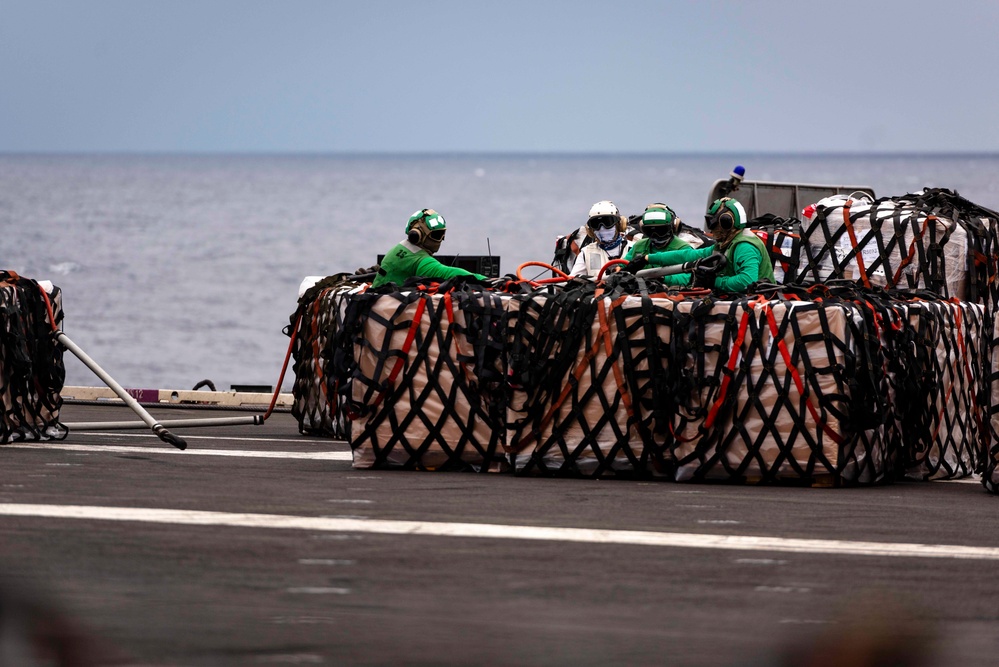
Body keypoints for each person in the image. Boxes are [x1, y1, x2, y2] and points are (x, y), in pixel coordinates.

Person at [629, 197, 774, 291]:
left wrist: (715, 282)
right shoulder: (724, 244)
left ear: (726, 222)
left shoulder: (744, 246)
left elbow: (747, 281)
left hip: (759, 305)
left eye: (712, 222)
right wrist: (648, 259)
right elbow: (688, 255)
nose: (710, 228)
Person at [371, 208, 489, 289]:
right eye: (437, 235)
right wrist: (487, 280)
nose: (441, 240)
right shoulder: (419, 260)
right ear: (417, 234)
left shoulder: (399, 248)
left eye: (442, 235)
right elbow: (449, 273)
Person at [623, 203, 692, 286]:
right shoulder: (639, 246)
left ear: (673, 227)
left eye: (661, 230)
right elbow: (623, 264)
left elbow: (687, 277)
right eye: (650, 231)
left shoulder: (683, 249)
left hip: (671, 294)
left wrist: (663, 278)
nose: (655, 235)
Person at [570, 200, 631, 278]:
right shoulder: (586, 253)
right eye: (596, 224)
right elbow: (571, 280)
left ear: (619, 224)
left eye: (607, 222)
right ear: (590, 230)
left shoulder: (633, 248)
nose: (602, 228)